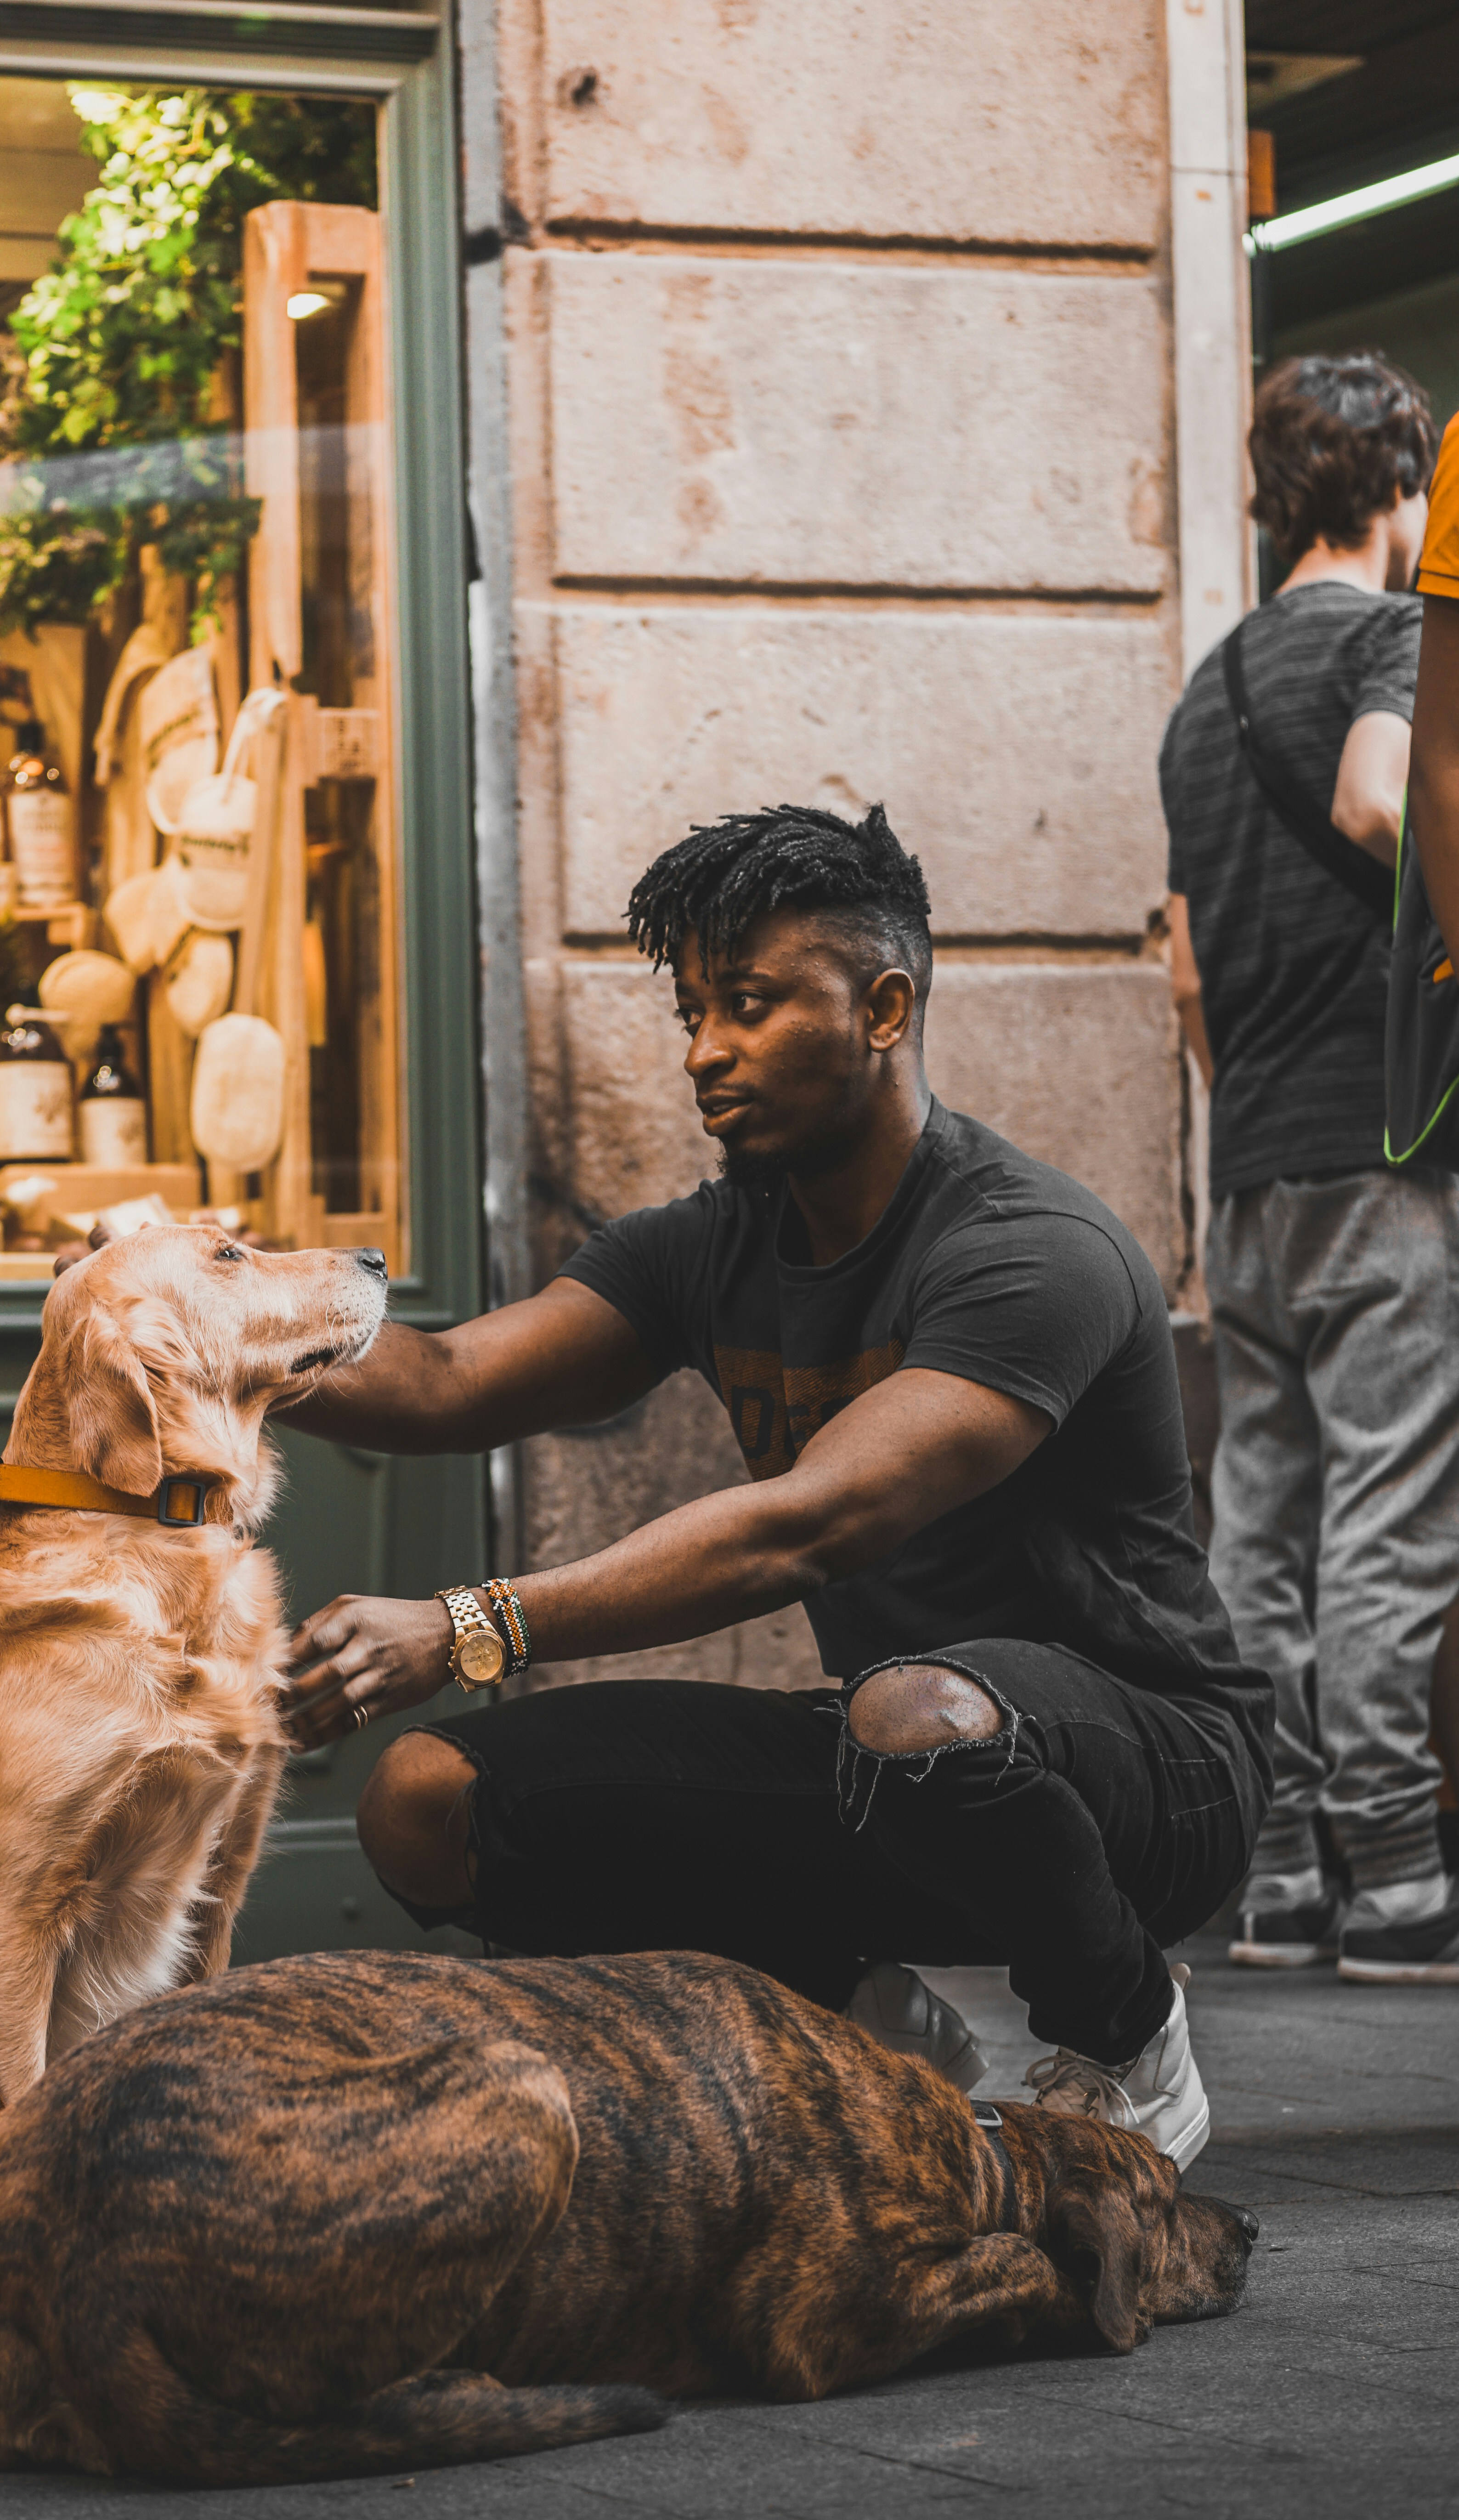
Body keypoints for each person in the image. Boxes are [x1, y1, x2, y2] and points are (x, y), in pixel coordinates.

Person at [278, 803, 1272, 2169]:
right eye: (693, 1011)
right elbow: (447, 1381)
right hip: (895, 1757)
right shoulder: (712, 1243)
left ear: (883, 1006)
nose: (704, 1052)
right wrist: (196, 1314)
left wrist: (468, 1624)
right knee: (428, 1795)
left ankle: (1124, 2042)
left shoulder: (1029, 1247)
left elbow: (814, 1522)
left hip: (1154, 1782)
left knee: (915, 1713)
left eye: (748, 1006)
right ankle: (873, 2032)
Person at [1159, 351, 1459, 1982]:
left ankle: (1274, 1876)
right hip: (1386, 1158)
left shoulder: (1201, 700)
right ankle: (1404, 1885)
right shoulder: (1401, 636)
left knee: (1256, 1539)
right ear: (1402, 489)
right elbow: (1368, 798)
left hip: (1256, 1169)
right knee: (1395, 1526)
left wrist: (1251, 1121)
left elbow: (1191, 976)